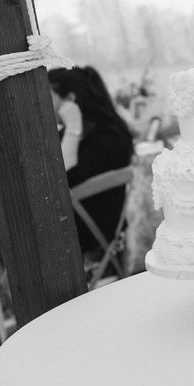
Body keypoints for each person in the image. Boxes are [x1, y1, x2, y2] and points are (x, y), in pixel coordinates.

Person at [47, 66, 133, 258]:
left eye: (48, 97)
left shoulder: (109, 138)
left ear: (70, 99)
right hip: (72, 229)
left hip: (92, 238)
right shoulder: (67, 135)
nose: (42, 105)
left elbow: (60, 181)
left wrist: (73, 128)